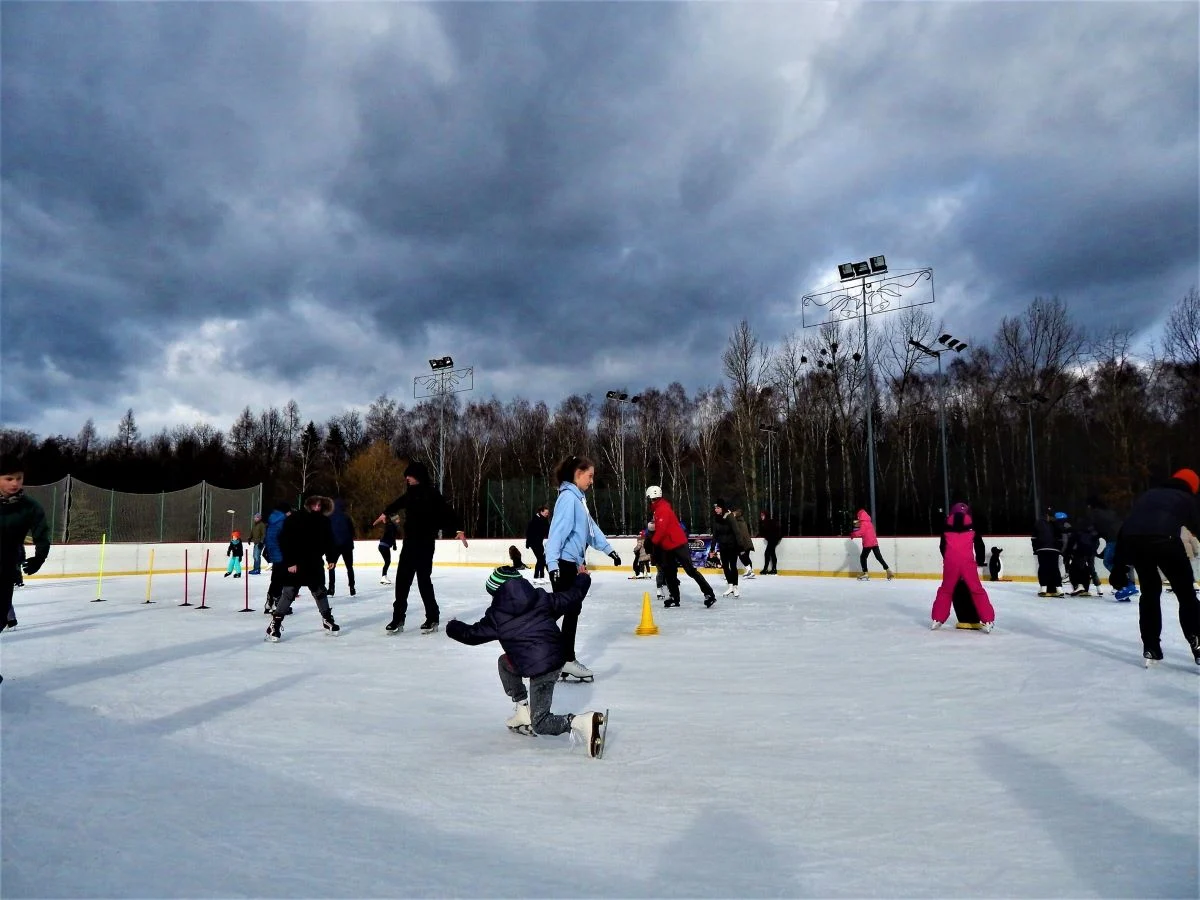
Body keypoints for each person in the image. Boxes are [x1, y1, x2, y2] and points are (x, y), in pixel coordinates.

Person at [445, 565, 605, 754]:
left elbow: (470, 635)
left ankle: (581, 722)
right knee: (505, 663)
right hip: (556, 657)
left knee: (541, 723)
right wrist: (583, 578)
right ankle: (522, 710)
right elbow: (572, 596)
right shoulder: (541, 598)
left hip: (543, 668)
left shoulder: (496, 615)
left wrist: (452, 625)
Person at [1109, 469, 1200, 666]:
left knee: (1150, 593)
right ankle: (1198, 643)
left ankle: (1151, 648)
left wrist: (1119, 565)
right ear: (1192, 487)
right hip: (1166, 540)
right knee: (1186, 594)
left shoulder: (1149, 495)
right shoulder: (1186, 498)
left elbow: (1128, 527)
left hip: (1135, 542)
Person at [544, 455, 620, 683]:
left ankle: (563, 658)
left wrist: (609, 550)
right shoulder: (569, 499)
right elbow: (557, 532)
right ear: (578, 474)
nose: (591, 481)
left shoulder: (578, 500)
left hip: (571, 564)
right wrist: (553, 564)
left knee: (570, 610)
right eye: (590, 476)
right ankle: (552, 655)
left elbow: (590, 529)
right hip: (564, 564)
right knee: (563, 610)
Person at [373, 460, 468, 636]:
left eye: (409, 475)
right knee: (402, 582)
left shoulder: (432, 494)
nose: (407, 478)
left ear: (418, 476)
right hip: (409, 543)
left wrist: (459, 529)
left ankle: (432, 617)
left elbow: (449, 513)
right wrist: (385, 513)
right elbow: (396, 504)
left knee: (424, 581)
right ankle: (397, 619)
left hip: (425, 543)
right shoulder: (409, 494)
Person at [0, 453, 52, 681]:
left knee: (0, 619)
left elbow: (42, 533)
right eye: (8, 478)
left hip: (5, 570)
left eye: (19, 478)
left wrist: (40, 557)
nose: (14, 483)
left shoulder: (30, 507)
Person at [266, 495, 339, 642]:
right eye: (315, 504)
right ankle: (274, 625)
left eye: (320, 505)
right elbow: (285, 540)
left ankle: (327, 619)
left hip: (314, 563)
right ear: (308, 504)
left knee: (319, 591)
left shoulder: (324, 521)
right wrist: (290, 561)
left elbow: (330, 540)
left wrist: (331, 557)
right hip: (296, 562)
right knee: (289, 592)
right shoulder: (295, 518)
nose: (318, 507)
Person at [647, 485, 717, 609]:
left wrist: (653, 541)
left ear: (650, 497)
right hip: (668, 545)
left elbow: (662, 529)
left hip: (678, 544)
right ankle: (674, 597)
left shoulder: (662, 509)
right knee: (669, 572)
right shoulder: (658, 509)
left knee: (690, 570)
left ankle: (709, 594)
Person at [931, 502, 995, 631]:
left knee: (946, 590)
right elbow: (979, 544)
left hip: (950, 562)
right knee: (977, 590)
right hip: (967, 562)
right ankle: (988, 620)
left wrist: (947, 558)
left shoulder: (946, 525)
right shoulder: (972, 525)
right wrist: (980, 560)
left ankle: (937, 619)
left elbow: (942, 546)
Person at [262, 502, 291, 615]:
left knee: (275, 578)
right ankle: (277, 604)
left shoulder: (272, 521)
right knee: (281, 579)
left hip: (274, 552)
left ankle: (269, 602)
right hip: (281, 553)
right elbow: (285, 538)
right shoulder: (282, 521)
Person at [851, 509, 893, 581]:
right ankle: (888, 570)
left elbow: (862, 532)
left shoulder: (863, 523)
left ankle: (865, 573)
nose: (858, 517)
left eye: (858, 516)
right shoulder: (869, 522)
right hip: (874, 542)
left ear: (860, 516)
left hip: (868, 543)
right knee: (879, 557)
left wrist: (853, 534)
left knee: (863, 557)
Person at [326, 498, 357, 597]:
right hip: (347, 546)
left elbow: (327, 533)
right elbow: (352, 532)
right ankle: (352, 588)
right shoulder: (347, 517)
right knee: (349, 567)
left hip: (334, 547)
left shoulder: (329, 517)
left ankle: (331, 589)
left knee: (331, 567)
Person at [711, 499, 741, 598]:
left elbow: (737, 531)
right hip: (723, 546)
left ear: (722, 508)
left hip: (732, 545)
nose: (716, 510)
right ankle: (730, 586)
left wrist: (740, 546)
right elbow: (715, 535)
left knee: (733, 566)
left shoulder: (729, 516)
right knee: (725, 566)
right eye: (715, 508)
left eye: (718, 508)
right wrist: (712, 549)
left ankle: (735, 587)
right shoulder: (715, 518)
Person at [1065, 518, 1103, 596]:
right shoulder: (1093, 531)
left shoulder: (1077, 530)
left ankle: (1079, 586)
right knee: (1090, 569)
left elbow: (1071, 542)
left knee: (1076, 568)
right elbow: (1097, 542)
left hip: (1081, 552)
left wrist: (1069, 553)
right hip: (1091, 552)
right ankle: (1096, 588)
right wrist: (1094, 551)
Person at [1032, 510, 1065, 597]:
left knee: (1043, 568)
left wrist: (1035, 549)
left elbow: (1034, 537)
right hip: (1054, 549)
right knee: (1054, 568)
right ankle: (1059, 588)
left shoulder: (1038, 523)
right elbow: (1061, 538)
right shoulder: (1057, 524)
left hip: (1042, 549)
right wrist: (1059, 549)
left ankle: (1043, 587)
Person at [525, 506, 551, 584]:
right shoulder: (535, 520)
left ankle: (542, 577)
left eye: (547, 513)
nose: (547, 514)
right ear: (541, 512)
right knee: (540, 559)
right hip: (533, 542)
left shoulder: (544, 520)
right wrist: (528, 542)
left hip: (539, 542)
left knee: (542, 559)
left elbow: (547, 530)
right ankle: (536, 577)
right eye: (546, 513)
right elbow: (529, 532)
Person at [730, 506, 756, 579]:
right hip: (746, 543)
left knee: (742, 556)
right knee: (745, 557)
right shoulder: (742, 521)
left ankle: (749, 571)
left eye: (735, 513)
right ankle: (750, 571)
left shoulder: (738, 522)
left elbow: (738, 533)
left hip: (743, 544)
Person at [758, 510, 782, 575]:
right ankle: (773, 569)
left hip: (773, 539)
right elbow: (763, 532)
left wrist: (761, 523)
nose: (761, 516)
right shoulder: (766, 522)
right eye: (761, 515)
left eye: (763, 515)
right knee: (772, 553)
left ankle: (767, 569)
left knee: (767, 553)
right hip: (772, 539)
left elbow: (766, 531)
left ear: (766, 515)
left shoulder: (768, 522)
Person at [377, 518, 398, 585]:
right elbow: (392, 536)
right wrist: (394, 545)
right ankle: (383, 577)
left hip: (382, 545)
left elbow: (391, 535)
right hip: (384, 546)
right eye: (397, 519)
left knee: (387, 561)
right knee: (387, 561)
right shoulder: (392, 526)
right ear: (394, 520)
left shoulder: (390, 525)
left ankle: (384, 577)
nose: (398, 520)